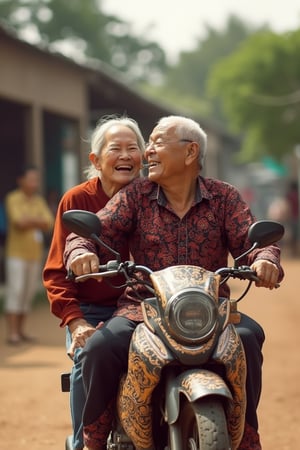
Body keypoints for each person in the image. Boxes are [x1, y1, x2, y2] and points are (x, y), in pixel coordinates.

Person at [64, 115, 284, 450]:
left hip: (212, 315)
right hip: (143, 310)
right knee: (99, 348)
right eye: (148, 143)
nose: (146, 151)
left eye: (157, 142)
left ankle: (246, 437)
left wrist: (265, 259)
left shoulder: (225, 198)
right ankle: (93, 442)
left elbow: (253, 238)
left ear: (190, 152)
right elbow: (96, 231)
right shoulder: (136, 196)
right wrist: (80, 251)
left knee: (249, 337)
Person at [43, 115, 145, 450]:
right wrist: (76, 321)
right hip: (90, 307)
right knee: (87, 356)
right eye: (116, 149)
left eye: (134, 148)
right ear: (95, 160)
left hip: (144, 307)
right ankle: (81, 443)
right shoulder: (77, 200)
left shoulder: (153, 198)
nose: (126, 155)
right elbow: (57, 272)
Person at [4, 165, 54, 345]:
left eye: (36, 180)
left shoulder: (38, 200)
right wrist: (37, 221)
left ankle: (22, 331)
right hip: (16, 254)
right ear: (21, 180)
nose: (35, 183)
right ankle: (13, 332)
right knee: (15, 292)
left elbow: (49, 222)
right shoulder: (13, 198)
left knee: (27, 293)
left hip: (33, 255)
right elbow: (18, 222)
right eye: (31, 179)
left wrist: (31, 221)